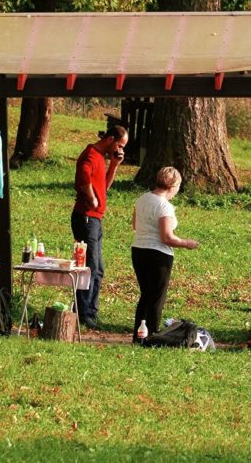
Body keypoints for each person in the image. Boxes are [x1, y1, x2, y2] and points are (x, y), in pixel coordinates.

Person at [130, 166, 199, 343]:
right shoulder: (164, 206)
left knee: (145, 295)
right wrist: (186, 243)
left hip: (138, 250)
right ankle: (151, 335)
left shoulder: (142, 199)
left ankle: (139, 335)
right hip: (158, 255)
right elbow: (167, 237)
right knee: (156, 298)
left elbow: (135, 225)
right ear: (173, 186)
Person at [72, 125, 128, 330]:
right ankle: (82, 312)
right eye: (120, 145)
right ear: (110, 139)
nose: (120, 149)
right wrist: (92, 198)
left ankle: (91, 311)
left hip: (95, 220)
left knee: (98, 268)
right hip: (86, 218)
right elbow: (83, 178)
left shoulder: (101, 157)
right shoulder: (90, 154)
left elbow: (103, 186)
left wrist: (114, 165)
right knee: (89, 266)